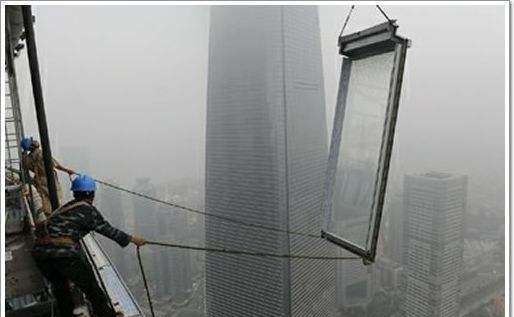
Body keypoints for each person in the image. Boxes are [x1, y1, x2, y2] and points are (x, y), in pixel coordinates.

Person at [32, 174, 147, 317]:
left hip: (41, 254)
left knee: (61, 291)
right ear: (92, 193)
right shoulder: (87, 210)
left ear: (74, 192)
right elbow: (108, 230)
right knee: (92, 289)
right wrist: (133, 239)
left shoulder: (65, 208)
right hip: (64, 255)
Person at [21, 137, 75, 215]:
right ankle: (58, 215)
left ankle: (48, 215)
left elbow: (26, 167)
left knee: (45, 199)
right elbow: (55, 165)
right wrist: (67, 170)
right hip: (49, 178)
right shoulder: (42, 154)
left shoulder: (27, 159)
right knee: (57, 198)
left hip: (38, 180)